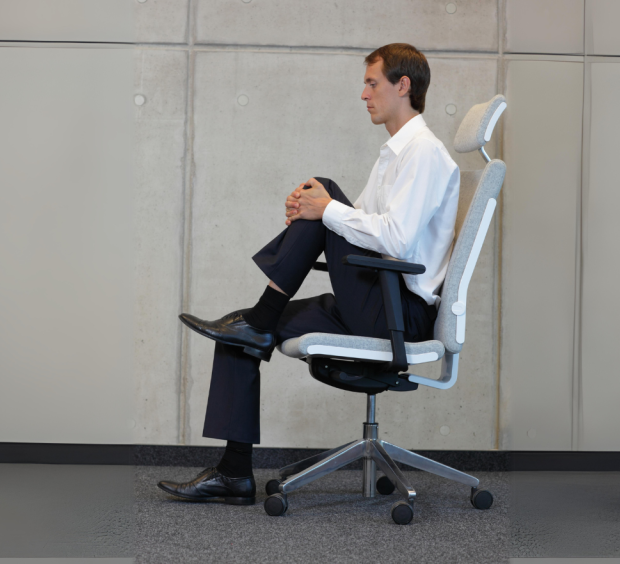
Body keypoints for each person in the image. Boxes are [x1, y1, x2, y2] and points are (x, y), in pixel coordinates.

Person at [157, 43, 461, 505]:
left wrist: (324, 209)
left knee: (327, 194)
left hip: (398, 311)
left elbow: (395, 242)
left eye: (372, 83)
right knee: (240, 331)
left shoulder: (424, 153)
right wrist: (314, 211)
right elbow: (360, 224)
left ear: (404, 86)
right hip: (373, 299)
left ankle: (263, 316)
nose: (363, 94)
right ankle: (233, 473)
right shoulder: (396, 154)